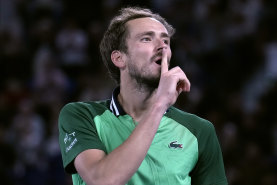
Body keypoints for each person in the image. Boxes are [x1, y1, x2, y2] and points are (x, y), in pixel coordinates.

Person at [58, 7, 228, 185]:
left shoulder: (199, 130)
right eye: (146, 39)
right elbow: (103, 180)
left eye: (166, 41)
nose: (162, 47)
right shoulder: (82, 116)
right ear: (119, 58)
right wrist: (159, 105)